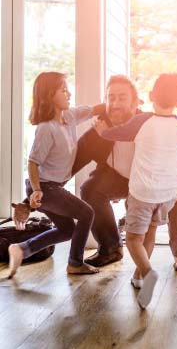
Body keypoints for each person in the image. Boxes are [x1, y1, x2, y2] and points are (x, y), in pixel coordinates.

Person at [13, 75, 177, 272]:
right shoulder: (99, 131)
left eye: (122, 97)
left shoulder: (150, 124)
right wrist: (28, 202)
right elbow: (67, 170)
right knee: (90, 189)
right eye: (111, 97)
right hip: (121, 179)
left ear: (136, 102)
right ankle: (110, 247)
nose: (116, 103)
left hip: (160, 180)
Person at [96, 73, 177, 308]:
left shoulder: (143, 121)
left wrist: (101, 131)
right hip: (169, 193)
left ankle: (148, 273)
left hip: (143, 193)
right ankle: (139, 277)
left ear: (150, 97)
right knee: (149, 234)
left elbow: (116, 133)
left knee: (132, 239)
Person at [8, 71, 105, 278]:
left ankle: (22, 249)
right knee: (86, 213)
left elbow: (98, 109)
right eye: (63, 90)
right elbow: (33, 163)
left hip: (53, 187)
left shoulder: (69, 117)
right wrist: (35, 192)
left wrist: (123, 104)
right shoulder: (46, 129)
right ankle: (75, 263)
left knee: (67, 230)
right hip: (45, 188)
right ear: (50, 94)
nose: (69, 93)